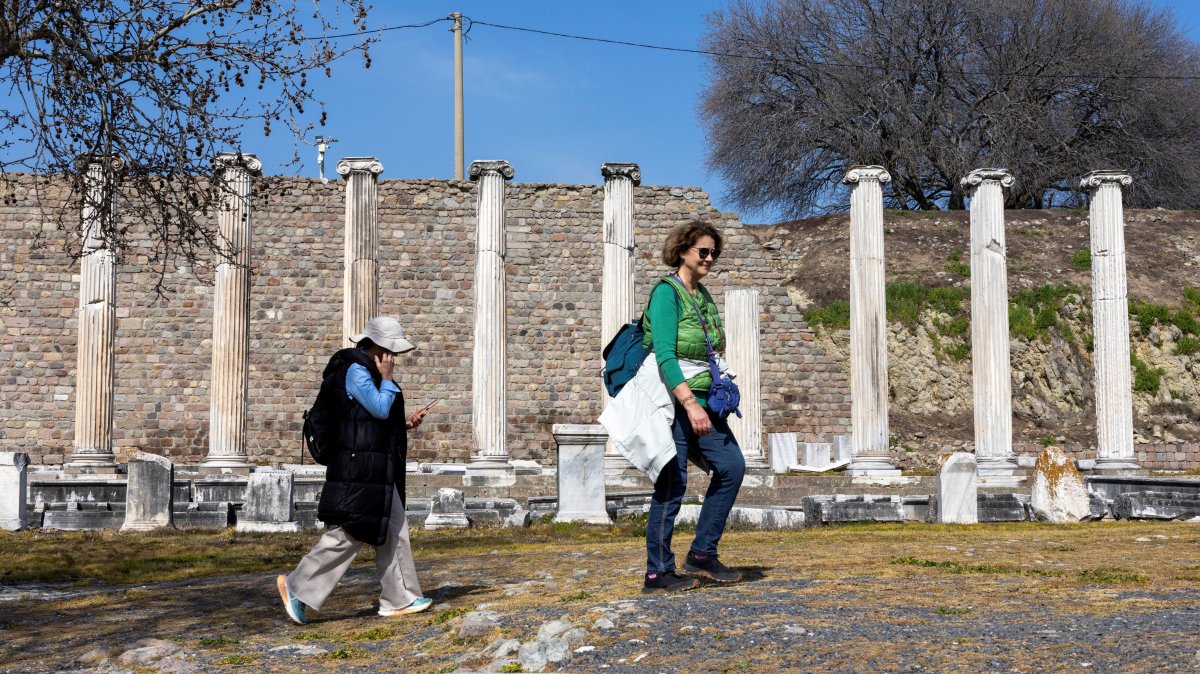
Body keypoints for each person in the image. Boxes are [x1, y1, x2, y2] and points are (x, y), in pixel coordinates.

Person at [276, 316, 433, 624]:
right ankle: (296, 586)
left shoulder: (369, 372)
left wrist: (405, 425)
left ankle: (399, 598)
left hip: (375, 467)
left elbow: (367, 423)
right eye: (392, 351)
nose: (395, 358)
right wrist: (387, 380)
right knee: (351, 532)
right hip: (358, 470)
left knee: (394, 528)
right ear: (376, 346)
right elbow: (377, 408)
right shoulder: (354, 371)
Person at [641, 222, 745, 594]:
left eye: (714, 253)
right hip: (674, 403)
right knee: (673, 484)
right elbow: (666, 355)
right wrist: (689, 403)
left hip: (705, 399)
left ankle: (702, 553)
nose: (709, 258)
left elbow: (712, 348)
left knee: (732, 467)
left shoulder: (701, 296)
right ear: (683, 250)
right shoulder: (666, 295)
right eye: (703, 251)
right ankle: (658, 573)